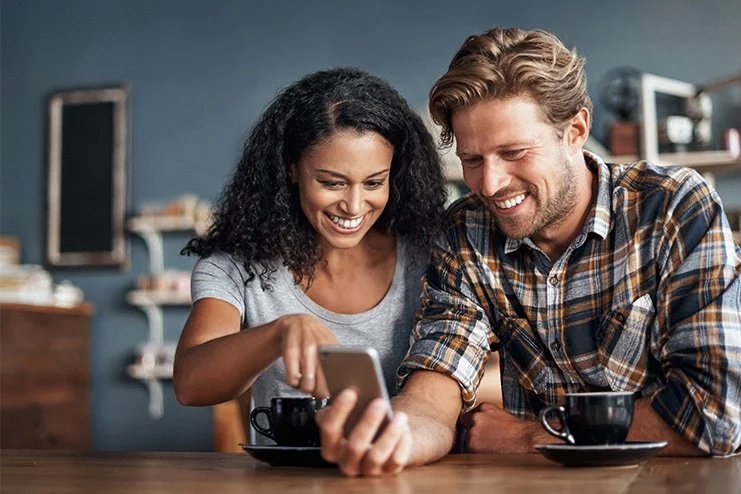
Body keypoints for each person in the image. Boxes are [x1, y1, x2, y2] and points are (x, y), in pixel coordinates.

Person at [315, 27, 741, 476]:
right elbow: (437, 380)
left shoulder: (672, 206)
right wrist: (398, 433)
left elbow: (714, 416)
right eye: (472, 160)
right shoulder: (466, 231)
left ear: (575, 130)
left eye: (514, 152)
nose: (490, 185)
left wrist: (532, 436)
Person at [173, 67, 447, 444]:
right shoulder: (237, 266)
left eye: (373, 183)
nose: (353, 206)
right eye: (331, 182)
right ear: (291, 168)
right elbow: (190, 385)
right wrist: (277, 333)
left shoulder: (429, 255)